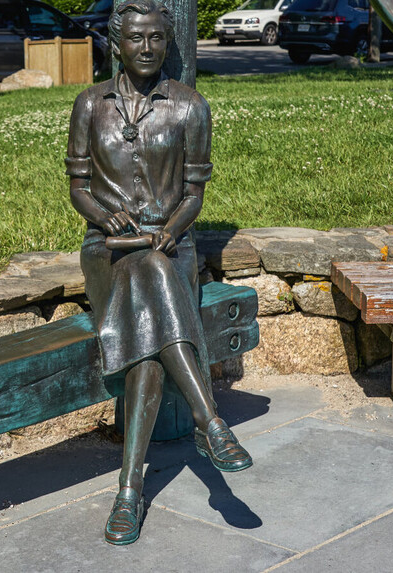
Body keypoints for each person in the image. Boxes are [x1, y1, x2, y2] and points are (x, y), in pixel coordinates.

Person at [65, 0, 252, 546]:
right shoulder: (89, 105)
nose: (147, 48)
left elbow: (194, 195)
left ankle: (129, 491)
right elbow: (78, 186)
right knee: (145, 272)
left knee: (146, 342)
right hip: (108, 249)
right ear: (117, 44)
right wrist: (103, 215)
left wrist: (171, 229)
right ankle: (209, 420)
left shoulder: (190, 106)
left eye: (157, 39)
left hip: (171, 246)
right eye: (136, 38)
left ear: (167, 44)